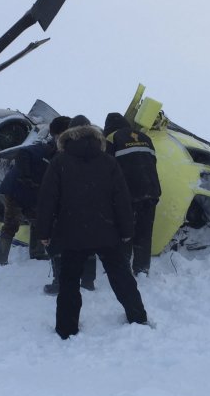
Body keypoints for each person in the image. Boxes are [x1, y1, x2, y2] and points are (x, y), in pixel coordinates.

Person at [35, 115, 149, 339]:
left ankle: (66, 329)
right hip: (107, 231)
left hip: (71, 232)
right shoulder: (108, 161)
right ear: (95, 135)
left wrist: (44, 232)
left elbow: (47, 199)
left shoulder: (60, 162)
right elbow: (121, 199)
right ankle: (138, 317)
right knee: (121, 276)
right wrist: (127, 231)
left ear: (68, 136)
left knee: (69, 281)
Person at [0, 116, 71, 266]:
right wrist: (26, 176)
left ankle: (37, 253)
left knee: (39, 221)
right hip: (15, 190)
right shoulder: (43, 149)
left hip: (33, 193)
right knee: (11, 224)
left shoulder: (59, 154)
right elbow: (24, 153)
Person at [104, 112, 161, 276]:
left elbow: (108, 167)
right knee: (144, 232)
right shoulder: (145, 137)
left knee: (124, 232)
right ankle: (142, 269)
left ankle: (121, 268)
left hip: (127, 193)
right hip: (151, 191)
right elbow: (153, 162)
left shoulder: (111, 138)